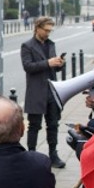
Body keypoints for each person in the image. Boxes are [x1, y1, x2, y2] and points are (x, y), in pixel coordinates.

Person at [20, 16, 66, 168]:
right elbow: (28, 67)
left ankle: (53, 155)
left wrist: (59, 63)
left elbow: (55, 67)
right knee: (34, 125)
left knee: (53, 124)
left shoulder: (50, 44)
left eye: (50, 31)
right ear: (37, 28)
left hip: (52, 90)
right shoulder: (27, 46)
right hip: (36, 90)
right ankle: (31, 155)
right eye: (46, 30)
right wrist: (48, 63)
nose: (48, 33)